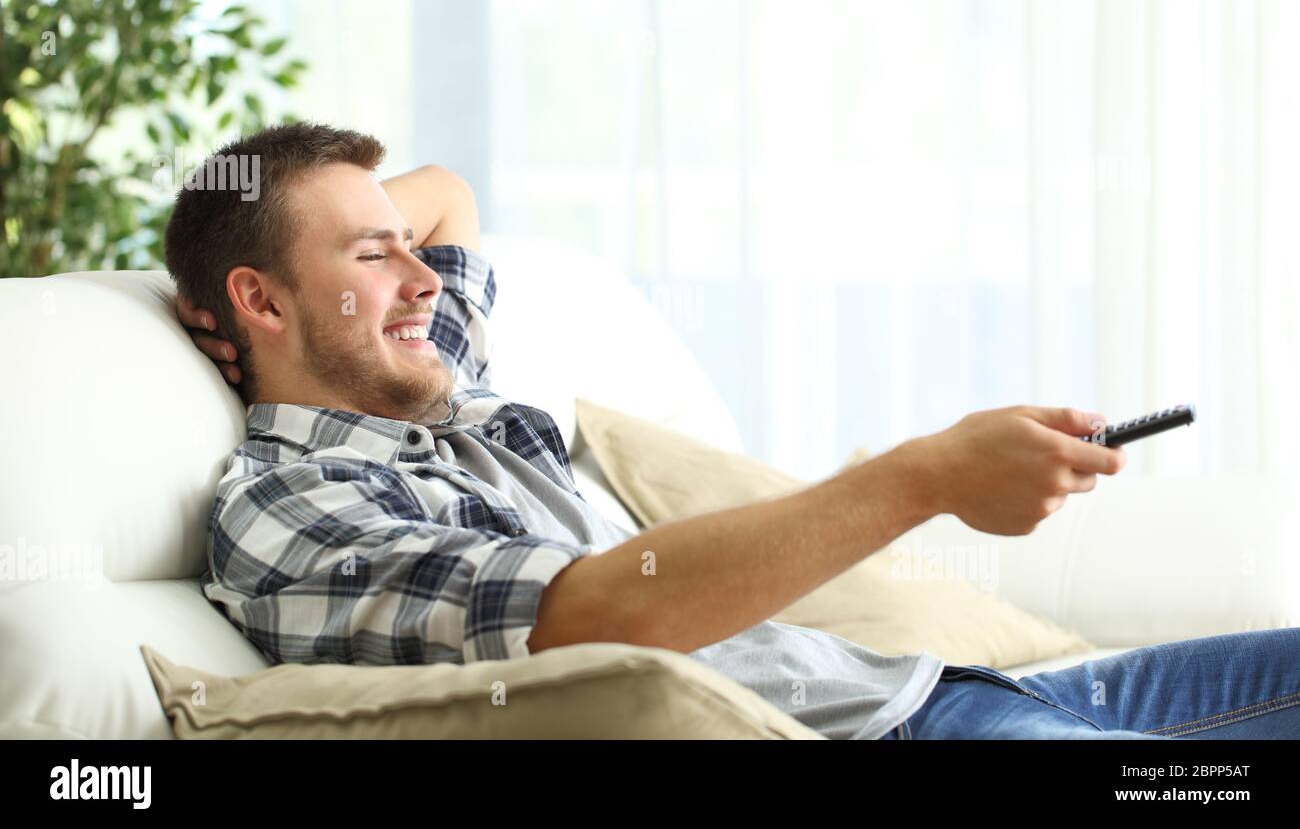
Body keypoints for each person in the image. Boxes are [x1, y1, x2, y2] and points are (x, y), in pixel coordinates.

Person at [164, 121, 1300, 739]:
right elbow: (596, 617)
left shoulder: (429, 378)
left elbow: (447, 193)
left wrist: (332, 249)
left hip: (952, 686)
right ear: (264, 302)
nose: (424, 274)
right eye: (375, 254)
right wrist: (928, 475)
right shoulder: (291, 504)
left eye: (402, 248)